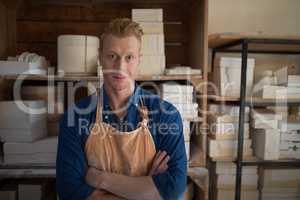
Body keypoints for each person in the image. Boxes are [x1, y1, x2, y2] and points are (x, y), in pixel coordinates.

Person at [56, 18, 187, 200]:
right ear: (100, 57)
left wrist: (101, 179)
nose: (120, 67)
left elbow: (173, 189)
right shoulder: (76, 116)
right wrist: (145, 188)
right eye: (112, 56)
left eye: (129, 57)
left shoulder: (166, 116)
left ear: (139, 60)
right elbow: (70, 192)